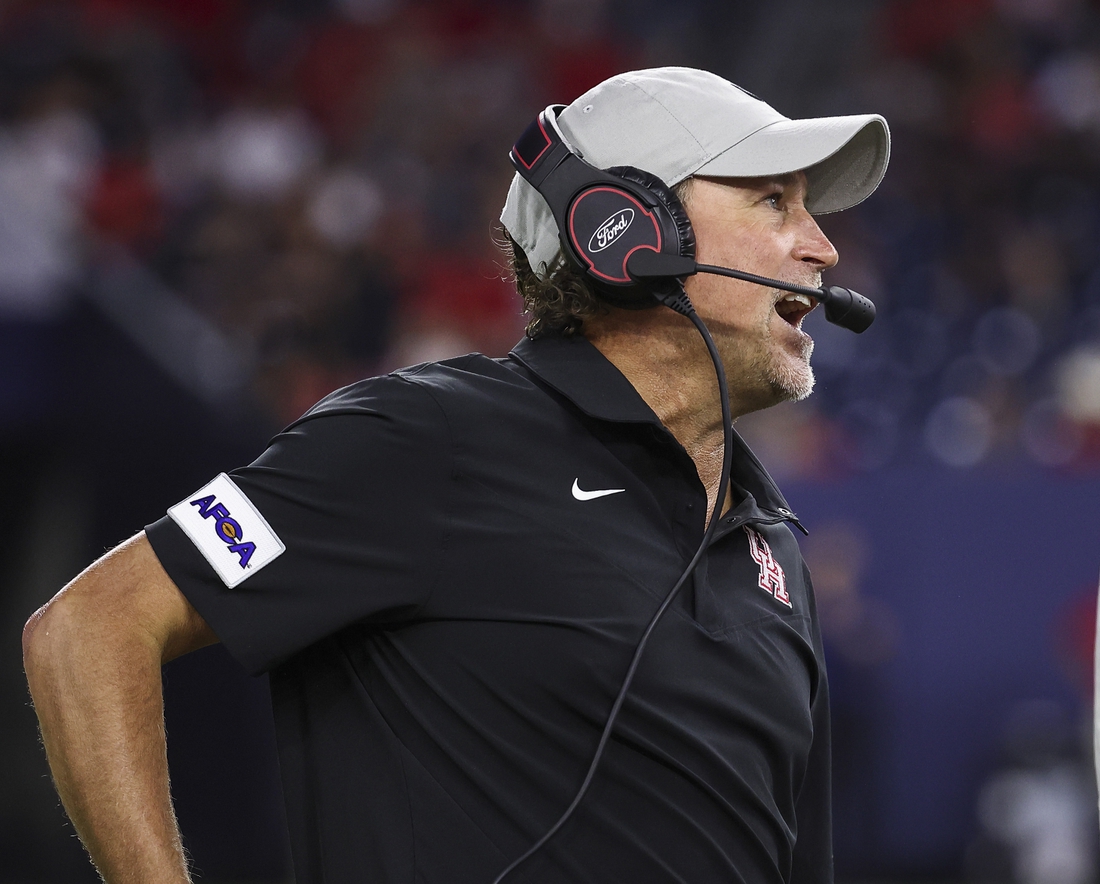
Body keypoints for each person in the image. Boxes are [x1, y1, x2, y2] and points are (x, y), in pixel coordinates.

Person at [22, 67, 889, 884]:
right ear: (627, 228)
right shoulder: (430, 440)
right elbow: (93, 626)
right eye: (774, 201)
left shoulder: (771, 547)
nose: (821, 247)